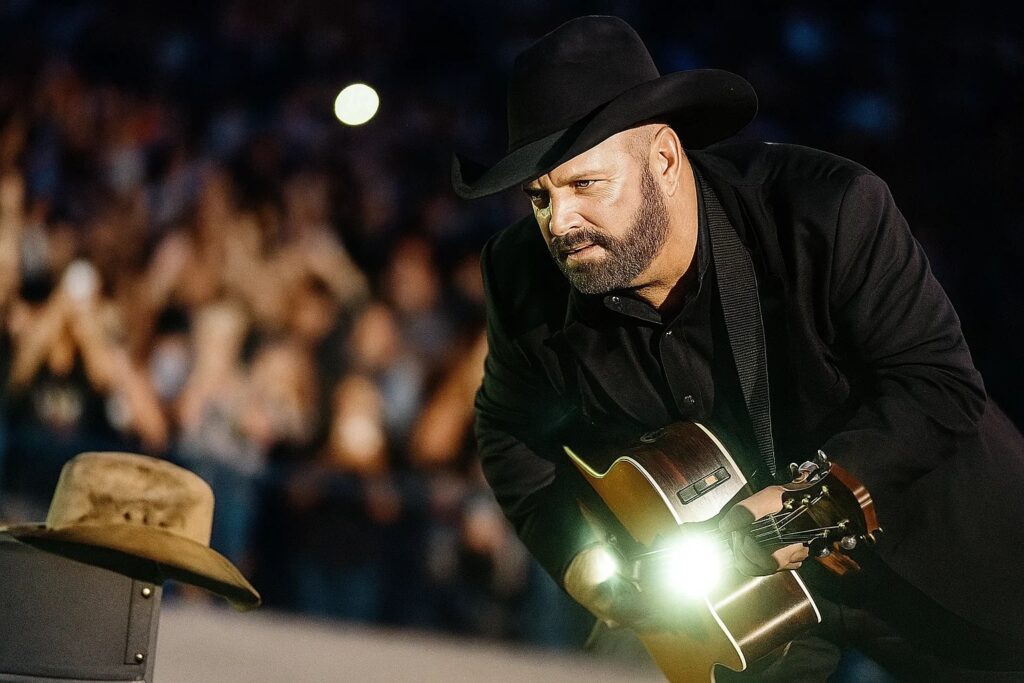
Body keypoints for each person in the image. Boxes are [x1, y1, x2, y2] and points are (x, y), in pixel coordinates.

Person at [453, 15, 1024, 681]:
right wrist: (587, 571)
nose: (560, 222)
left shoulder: (827, 208)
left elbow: (937, 386)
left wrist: (792, 510)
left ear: (664, 159)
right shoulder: (521, 276)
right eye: (539, 196)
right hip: (737, 622)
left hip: (948, 569)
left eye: (585, 184)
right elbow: (509, 432)